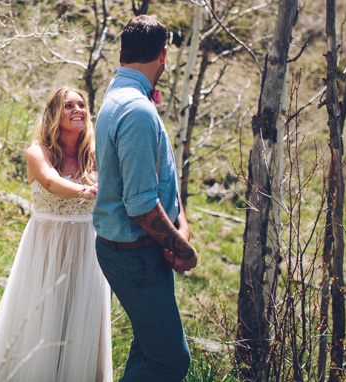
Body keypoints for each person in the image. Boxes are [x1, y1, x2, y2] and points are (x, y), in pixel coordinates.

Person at [0, 86, 112, 382]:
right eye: (68, 106)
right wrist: (86, 191)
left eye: (82, 104)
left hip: (87, 244)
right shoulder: (38, 151)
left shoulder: (97, 153)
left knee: (81, 317)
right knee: (43, 313)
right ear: (54, 113)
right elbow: (51, 182)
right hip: (46, 243)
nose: (78, 110)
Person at [93, 15, 198, 382]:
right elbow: (139, 204)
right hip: (135, 255)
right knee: (169, 361)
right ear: (164, 55)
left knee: (149, 349)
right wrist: (183, 248)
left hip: (139, 250)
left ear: (122, 51)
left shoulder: (120, 96)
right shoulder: (136, 110)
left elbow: (161, 178)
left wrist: (179, 226)